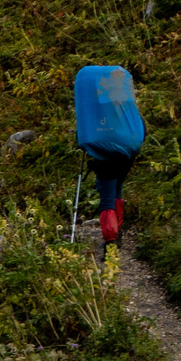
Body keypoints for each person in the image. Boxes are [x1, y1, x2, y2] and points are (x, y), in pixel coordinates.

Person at [72, 65, 145, 245]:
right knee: (117, 190)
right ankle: (117, 233)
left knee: (107, 198)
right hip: (127, 153)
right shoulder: (122, 109)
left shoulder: (97, 112)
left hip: (104, 156)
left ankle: (110, 241)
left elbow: (83, 134)